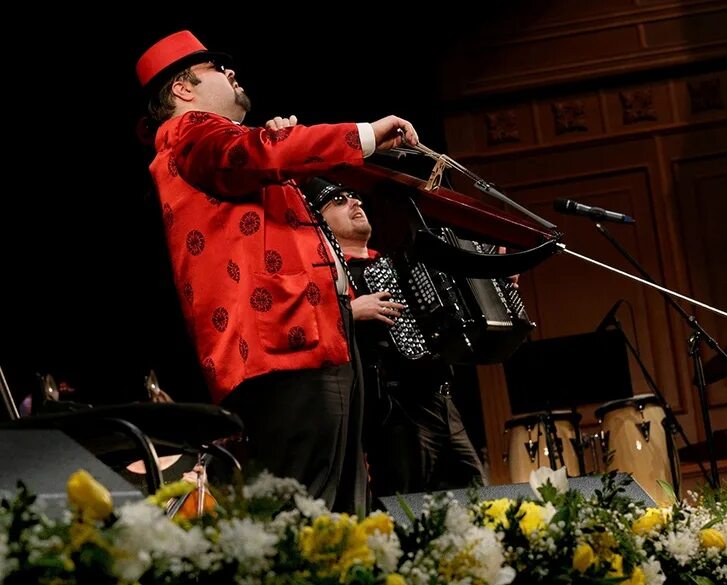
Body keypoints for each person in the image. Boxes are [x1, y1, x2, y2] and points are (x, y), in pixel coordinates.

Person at [135, 30, 419, 514]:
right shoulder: (190, 132)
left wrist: (279, 150)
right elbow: (257, 153)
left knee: (332, 511)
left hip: (306, 341)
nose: (230, 72)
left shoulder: (213, 143)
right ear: (183, 89)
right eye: (214, 70)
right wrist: (364, 136)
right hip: (283, 348)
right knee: (303, 512)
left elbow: (260, 180)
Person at [300, 177, 486, 504]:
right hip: (394, 413)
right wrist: (347, 313)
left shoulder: (400, 264)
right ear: (319, 221)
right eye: (339, 201)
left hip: (442, 400)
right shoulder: (324, 278)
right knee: (407, 511)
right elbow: (298, 331)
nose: (354, 203)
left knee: (475, 503)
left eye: (355, 195)